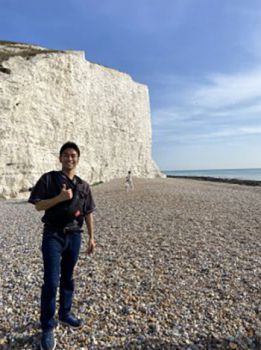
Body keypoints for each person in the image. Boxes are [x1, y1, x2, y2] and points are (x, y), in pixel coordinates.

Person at [28, 142, 96, 350]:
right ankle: (48, 326)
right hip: (53, 235)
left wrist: (92, 237)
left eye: (73, 155)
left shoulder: (84, 186)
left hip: (75, 236)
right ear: (60, 158)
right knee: (51, 280)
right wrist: (59, 198)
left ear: (78, 158)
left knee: (68, 277)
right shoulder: (49, 179)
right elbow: (38, 205)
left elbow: (88, 212)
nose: (70, 158)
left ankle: (65, 313)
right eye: (66, 155)